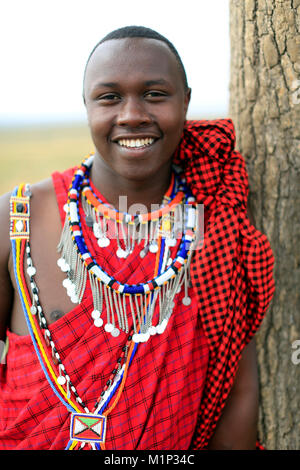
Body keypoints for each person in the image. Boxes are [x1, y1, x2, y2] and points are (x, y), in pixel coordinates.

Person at [0, 26, 275, 451]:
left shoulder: (218, 225)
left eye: (155, 94)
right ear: (87, 105)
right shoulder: (17, 217)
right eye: (109, 97)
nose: (131, 114)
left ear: (185, 102)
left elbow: (235, 391)